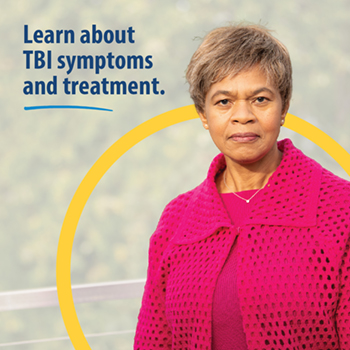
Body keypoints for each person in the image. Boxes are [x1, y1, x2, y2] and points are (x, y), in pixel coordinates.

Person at [134, 24, 350, 350]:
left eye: (260, 99)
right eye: (223, 102)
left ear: (284, 107)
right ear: (203, 114)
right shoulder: (176, 219)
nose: (243, 116)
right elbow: (154, 342)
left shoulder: (339, 209)